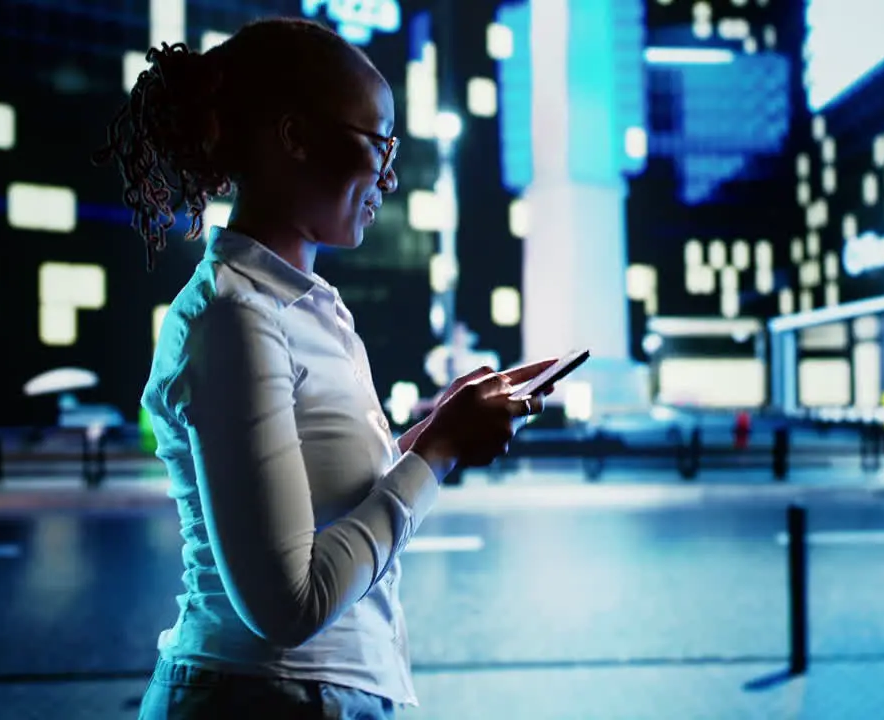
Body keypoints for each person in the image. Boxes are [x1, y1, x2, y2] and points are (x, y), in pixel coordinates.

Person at [95, 18, 556, 720]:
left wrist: (436, 432)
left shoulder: (303, 308)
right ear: (296, 137)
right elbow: (288, 605)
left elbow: (324, 507)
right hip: (266, 698)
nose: (391, 175)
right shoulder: (235, 317)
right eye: (380, 144)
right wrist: (437, 450)